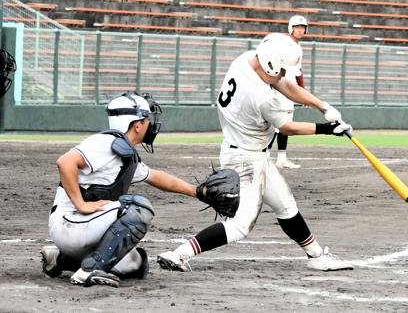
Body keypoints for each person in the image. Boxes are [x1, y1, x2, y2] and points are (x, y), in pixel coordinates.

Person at [157, 32, 354, 272]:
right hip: (245, 159)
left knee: (285, 205)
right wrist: (327, 129)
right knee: (240, 225)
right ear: (270, 64)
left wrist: (323, 106)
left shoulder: (247, 59)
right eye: (280, 69)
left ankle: (316, 256)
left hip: (251, 153)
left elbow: (285, 84)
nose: (283, 75)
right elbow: (287, 127)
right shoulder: (260, 96)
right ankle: (179, 254)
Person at [40, 92, 201, 288]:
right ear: (137, 124)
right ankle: (89, 271)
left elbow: (155, 176)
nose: (150, 124)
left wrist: (198, 192)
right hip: (69, 224)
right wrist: (81, 204)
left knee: (137, 263)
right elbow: (65, 162)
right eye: (146, 119)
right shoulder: (105, 143)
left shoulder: (124, 153)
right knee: (138, 209)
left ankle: (61, 259)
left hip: (83, 229)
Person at [273, 15, 308, 169]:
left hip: (290, 89)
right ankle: (264, 157)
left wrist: (303, 92)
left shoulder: (298, 48)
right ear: (291, 28)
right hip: (280, 87)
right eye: (297, 27)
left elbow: (298, 71)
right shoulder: (283, 44)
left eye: (303, 28)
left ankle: (281, 158)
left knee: (286, 123)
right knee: (274, 123)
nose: (300, 30)